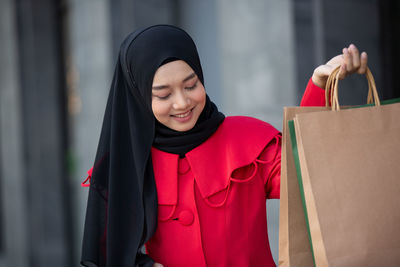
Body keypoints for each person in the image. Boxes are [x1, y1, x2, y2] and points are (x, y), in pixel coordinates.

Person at [80, 25, 368, 267]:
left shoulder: (247, 139)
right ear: (139, 97)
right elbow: (108, 252)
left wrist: (319, 86)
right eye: (163, 94)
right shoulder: (125, 164)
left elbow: (307, 173)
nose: (182, 103)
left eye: (191, 85)